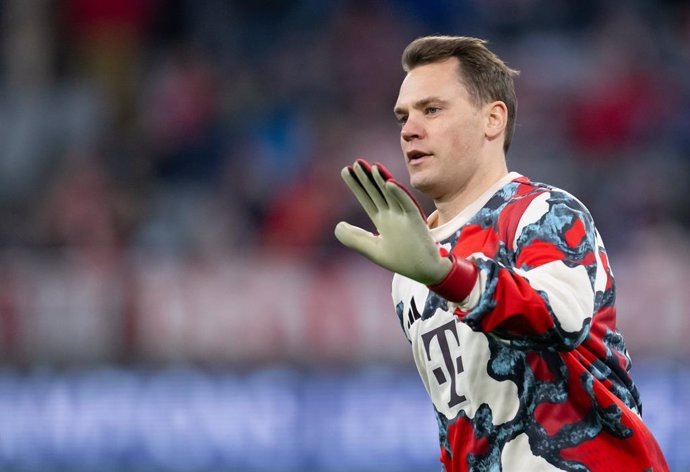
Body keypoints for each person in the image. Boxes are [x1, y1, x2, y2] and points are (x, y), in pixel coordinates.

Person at [335, 35, 669, 472]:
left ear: (492, 120)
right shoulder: (408, 274)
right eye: (404, 116)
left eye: (432, 109)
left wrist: (445, 274)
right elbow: (459, 424)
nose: (409, 129)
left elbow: (559, 321)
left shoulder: (542, 213)